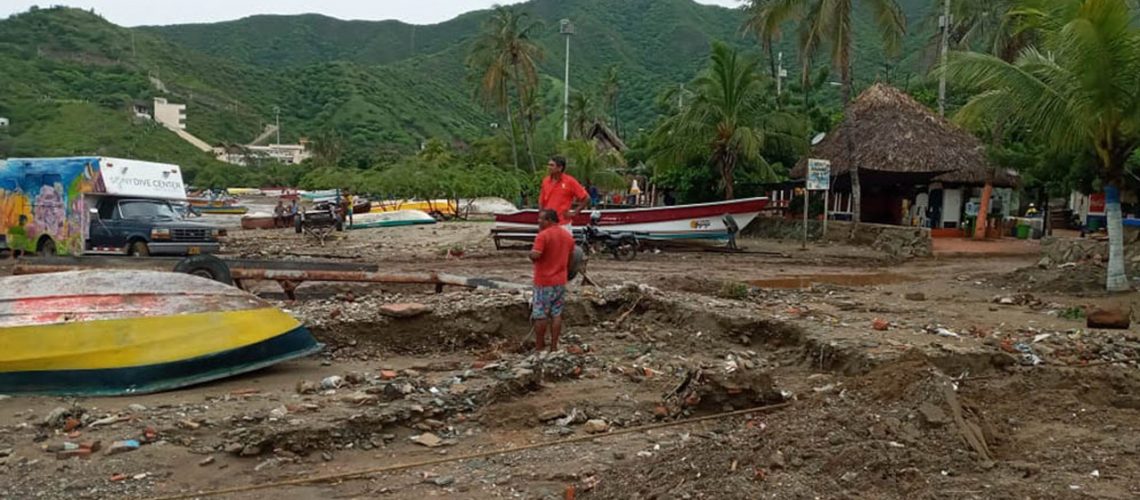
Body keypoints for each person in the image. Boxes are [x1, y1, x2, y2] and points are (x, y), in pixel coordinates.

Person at [529, 209, 575, 352]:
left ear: (548, 220)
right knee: (556, 314)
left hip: (544, 281)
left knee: (540, 314)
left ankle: (539, 346)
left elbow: (536, 255)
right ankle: (554, 346)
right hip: (560, 281)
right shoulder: (567, 236)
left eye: (541, 219)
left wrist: (530, 254)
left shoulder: (543, 236)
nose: (539, 221)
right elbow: (571, 258)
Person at [539, 155, 588, 234]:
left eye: (552, 165)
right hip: (547, 225)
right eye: (548, 165)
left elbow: (586, 198)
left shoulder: (570, 181)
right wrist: (541, 220)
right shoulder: (545, 181)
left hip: (563, 224)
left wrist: (575, 212)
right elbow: (541, 202)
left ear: (560, 168)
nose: (549, 167)